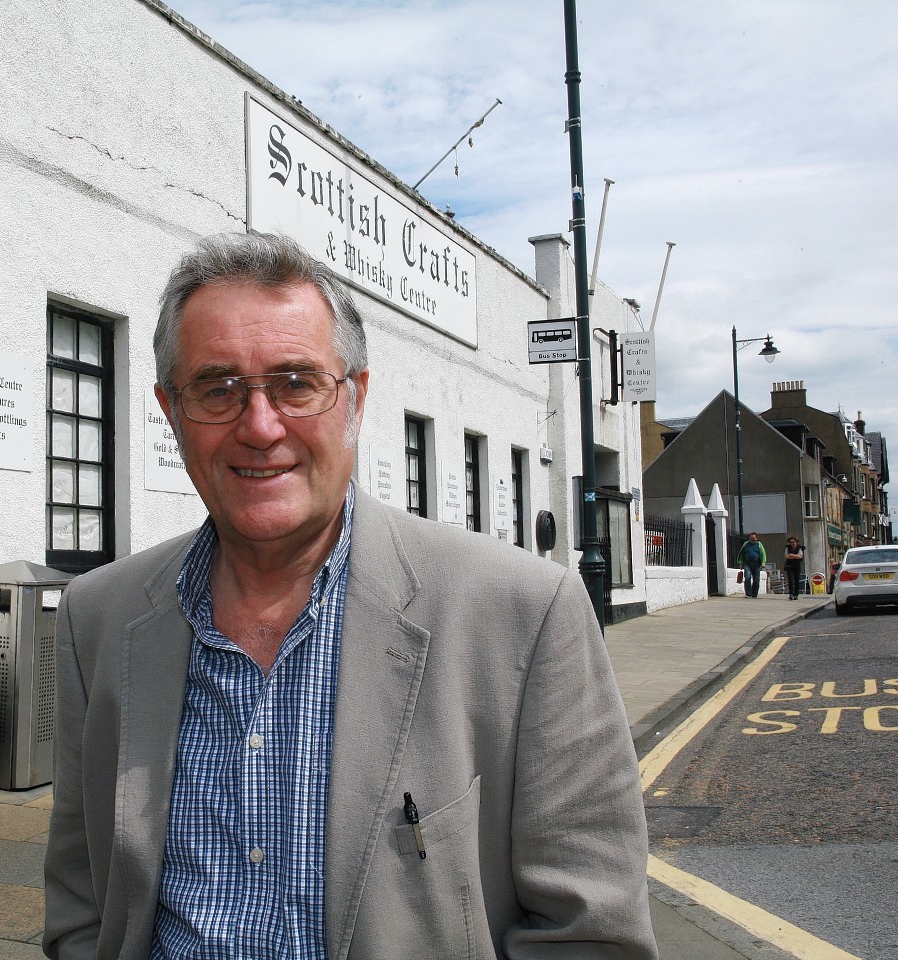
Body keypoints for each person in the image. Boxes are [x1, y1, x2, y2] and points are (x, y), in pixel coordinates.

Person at [43, 232, 657, 959]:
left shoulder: (525, 614)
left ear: (356, 400)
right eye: (217, 388)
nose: (260, 426)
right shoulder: (96, 618)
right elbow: (85, 899)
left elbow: (590, 935)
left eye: (296, 383)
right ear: (171, 411)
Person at [737, 532, 766, 598]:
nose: (752, 539)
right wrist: (741, 563)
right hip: (747, 564)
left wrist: (763, 562)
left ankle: (754, 594)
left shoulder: (759, 544)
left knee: (756, 580)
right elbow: (742, 554)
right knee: (747, 578)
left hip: (756, 564)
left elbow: (763, 553)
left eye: (754, 538)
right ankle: (748, 594)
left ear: (756, 538)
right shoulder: (746, 544)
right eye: (751, 538)